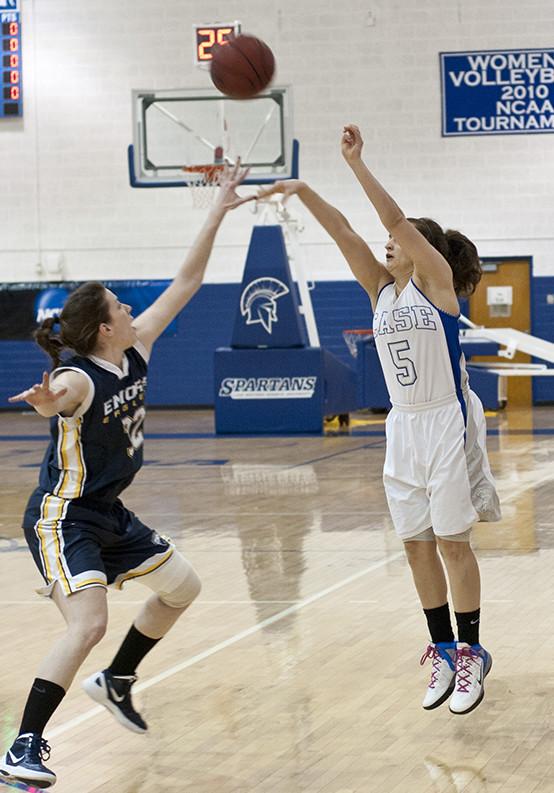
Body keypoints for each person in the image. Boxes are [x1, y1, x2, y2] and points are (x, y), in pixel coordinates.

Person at [235, 125, 500, 716]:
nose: (386, 243)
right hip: (402, 427)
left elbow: (395, 223)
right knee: (414, 545)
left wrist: (356, 165)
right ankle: (440, 648)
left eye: (397, 240)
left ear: (422, 250)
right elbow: (342, 230)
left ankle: (472, 654)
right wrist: (301, 189)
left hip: (444, 423)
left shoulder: (436, 288)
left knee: (453, 543)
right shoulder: (381, 292)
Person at [0, 161, 248, 789]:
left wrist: (219, 206)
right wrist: (46, 402)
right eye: (119, 304)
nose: (131, 305)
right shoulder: (81, 374)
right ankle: (23, 744)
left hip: (108, 511)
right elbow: (61, 390)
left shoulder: (137, 346)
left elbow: (188, 280)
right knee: (88, 623)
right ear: (104, 328)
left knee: (182, 589)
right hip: (64, 515)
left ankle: (117, 680)